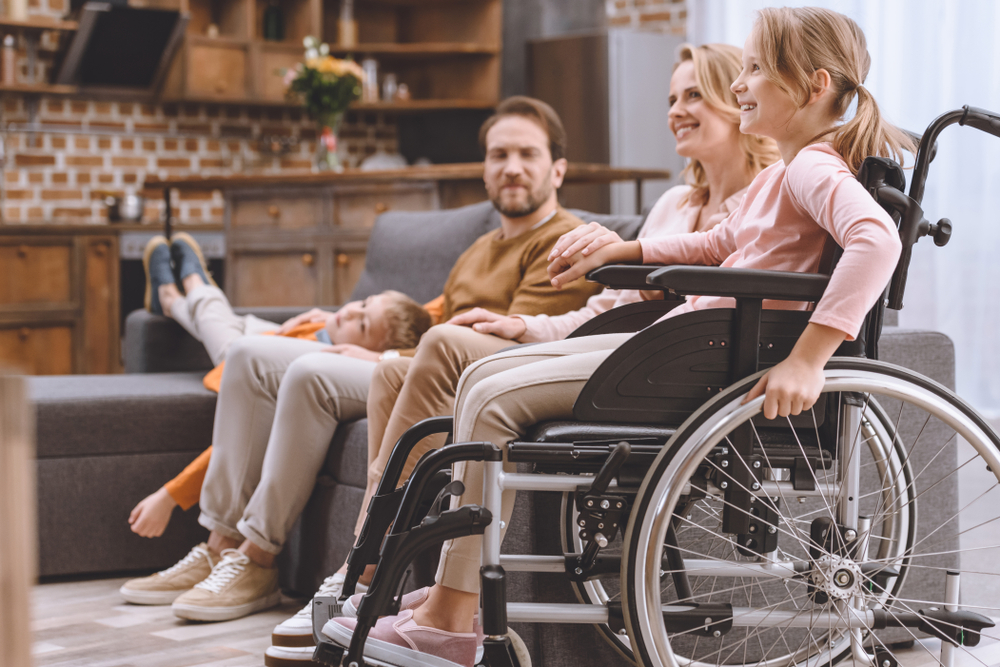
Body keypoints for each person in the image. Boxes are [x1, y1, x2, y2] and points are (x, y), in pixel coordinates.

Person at [323, 9, 912, 667]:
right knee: (480, 378)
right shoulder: (785, 171)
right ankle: (447, 598)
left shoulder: (813, 170)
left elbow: (876, 241)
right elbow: (719, 242)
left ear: (811, 87)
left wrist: (810, 357)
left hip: (712, 361)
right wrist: (628, 246)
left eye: (752, 69)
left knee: (492, 399)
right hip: (692, 344)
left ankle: (451, 616)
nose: (740, 83)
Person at [265, 43, 780, 664]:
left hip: (674, 366)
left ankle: (380, 576)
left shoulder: (767, 201)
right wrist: (523, 326)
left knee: (458, 358)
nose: (676, 110)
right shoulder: (672, 206)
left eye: (694, 94)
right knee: (401, 370)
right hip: (621, 348)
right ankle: (377, 563)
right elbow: (602, 312)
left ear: (736, 99)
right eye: (671, 97)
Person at [121, 95, 600, 625]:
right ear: (483, 168)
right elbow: (440, 315)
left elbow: (501, 349)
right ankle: (221, 542)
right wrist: (361, 331)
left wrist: (390, 352)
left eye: (527, 155)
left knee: (308, 374)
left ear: (557, 169)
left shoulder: (562, 242)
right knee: (250, 356)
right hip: (418, 363)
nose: (511, 168)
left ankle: (259, 557)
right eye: (499, 154)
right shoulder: (481, 246)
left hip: (456, 379)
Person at [127, 231, 432, 539]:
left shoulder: (311, 370)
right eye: (363, 303)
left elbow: (244, 436)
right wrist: (328, 320)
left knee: (232, 341)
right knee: (226, 327)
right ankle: (176, 297)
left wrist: (171, 494)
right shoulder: (325, 325)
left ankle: (184, 290)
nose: (351, 311)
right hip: (283, 334)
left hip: (268, 351)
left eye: (362, 324)